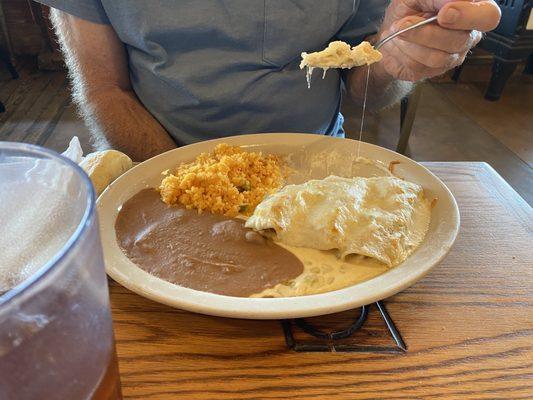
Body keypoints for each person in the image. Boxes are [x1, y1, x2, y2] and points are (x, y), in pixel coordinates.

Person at [38, 0, 500, 161]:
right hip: (153, 165)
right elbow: (104, 89)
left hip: (318, 157)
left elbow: (365, 81)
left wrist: (398, 59)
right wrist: (190, 183)